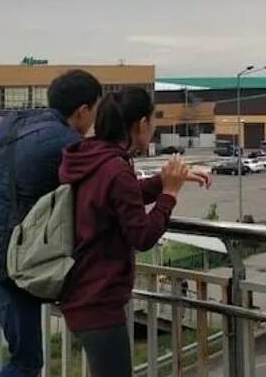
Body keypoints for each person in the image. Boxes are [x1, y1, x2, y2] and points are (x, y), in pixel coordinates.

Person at [0, 70, 103, 377]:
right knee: (27, 360)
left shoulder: (14, 121)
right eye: (95, 111)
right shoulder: (69, 144)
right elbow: (98, 187)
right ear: (83, 110)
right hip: (3, 264)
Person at [59, 88, 210, 377]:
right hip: (99, 299)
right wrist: (169, 193)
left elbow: (120, 198)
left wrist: (163, 180)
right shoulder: (115, 168)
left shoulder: (92, 157)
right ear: (141, 124)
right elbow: (142, 236)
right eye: (151, 122)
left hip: (81, 290)